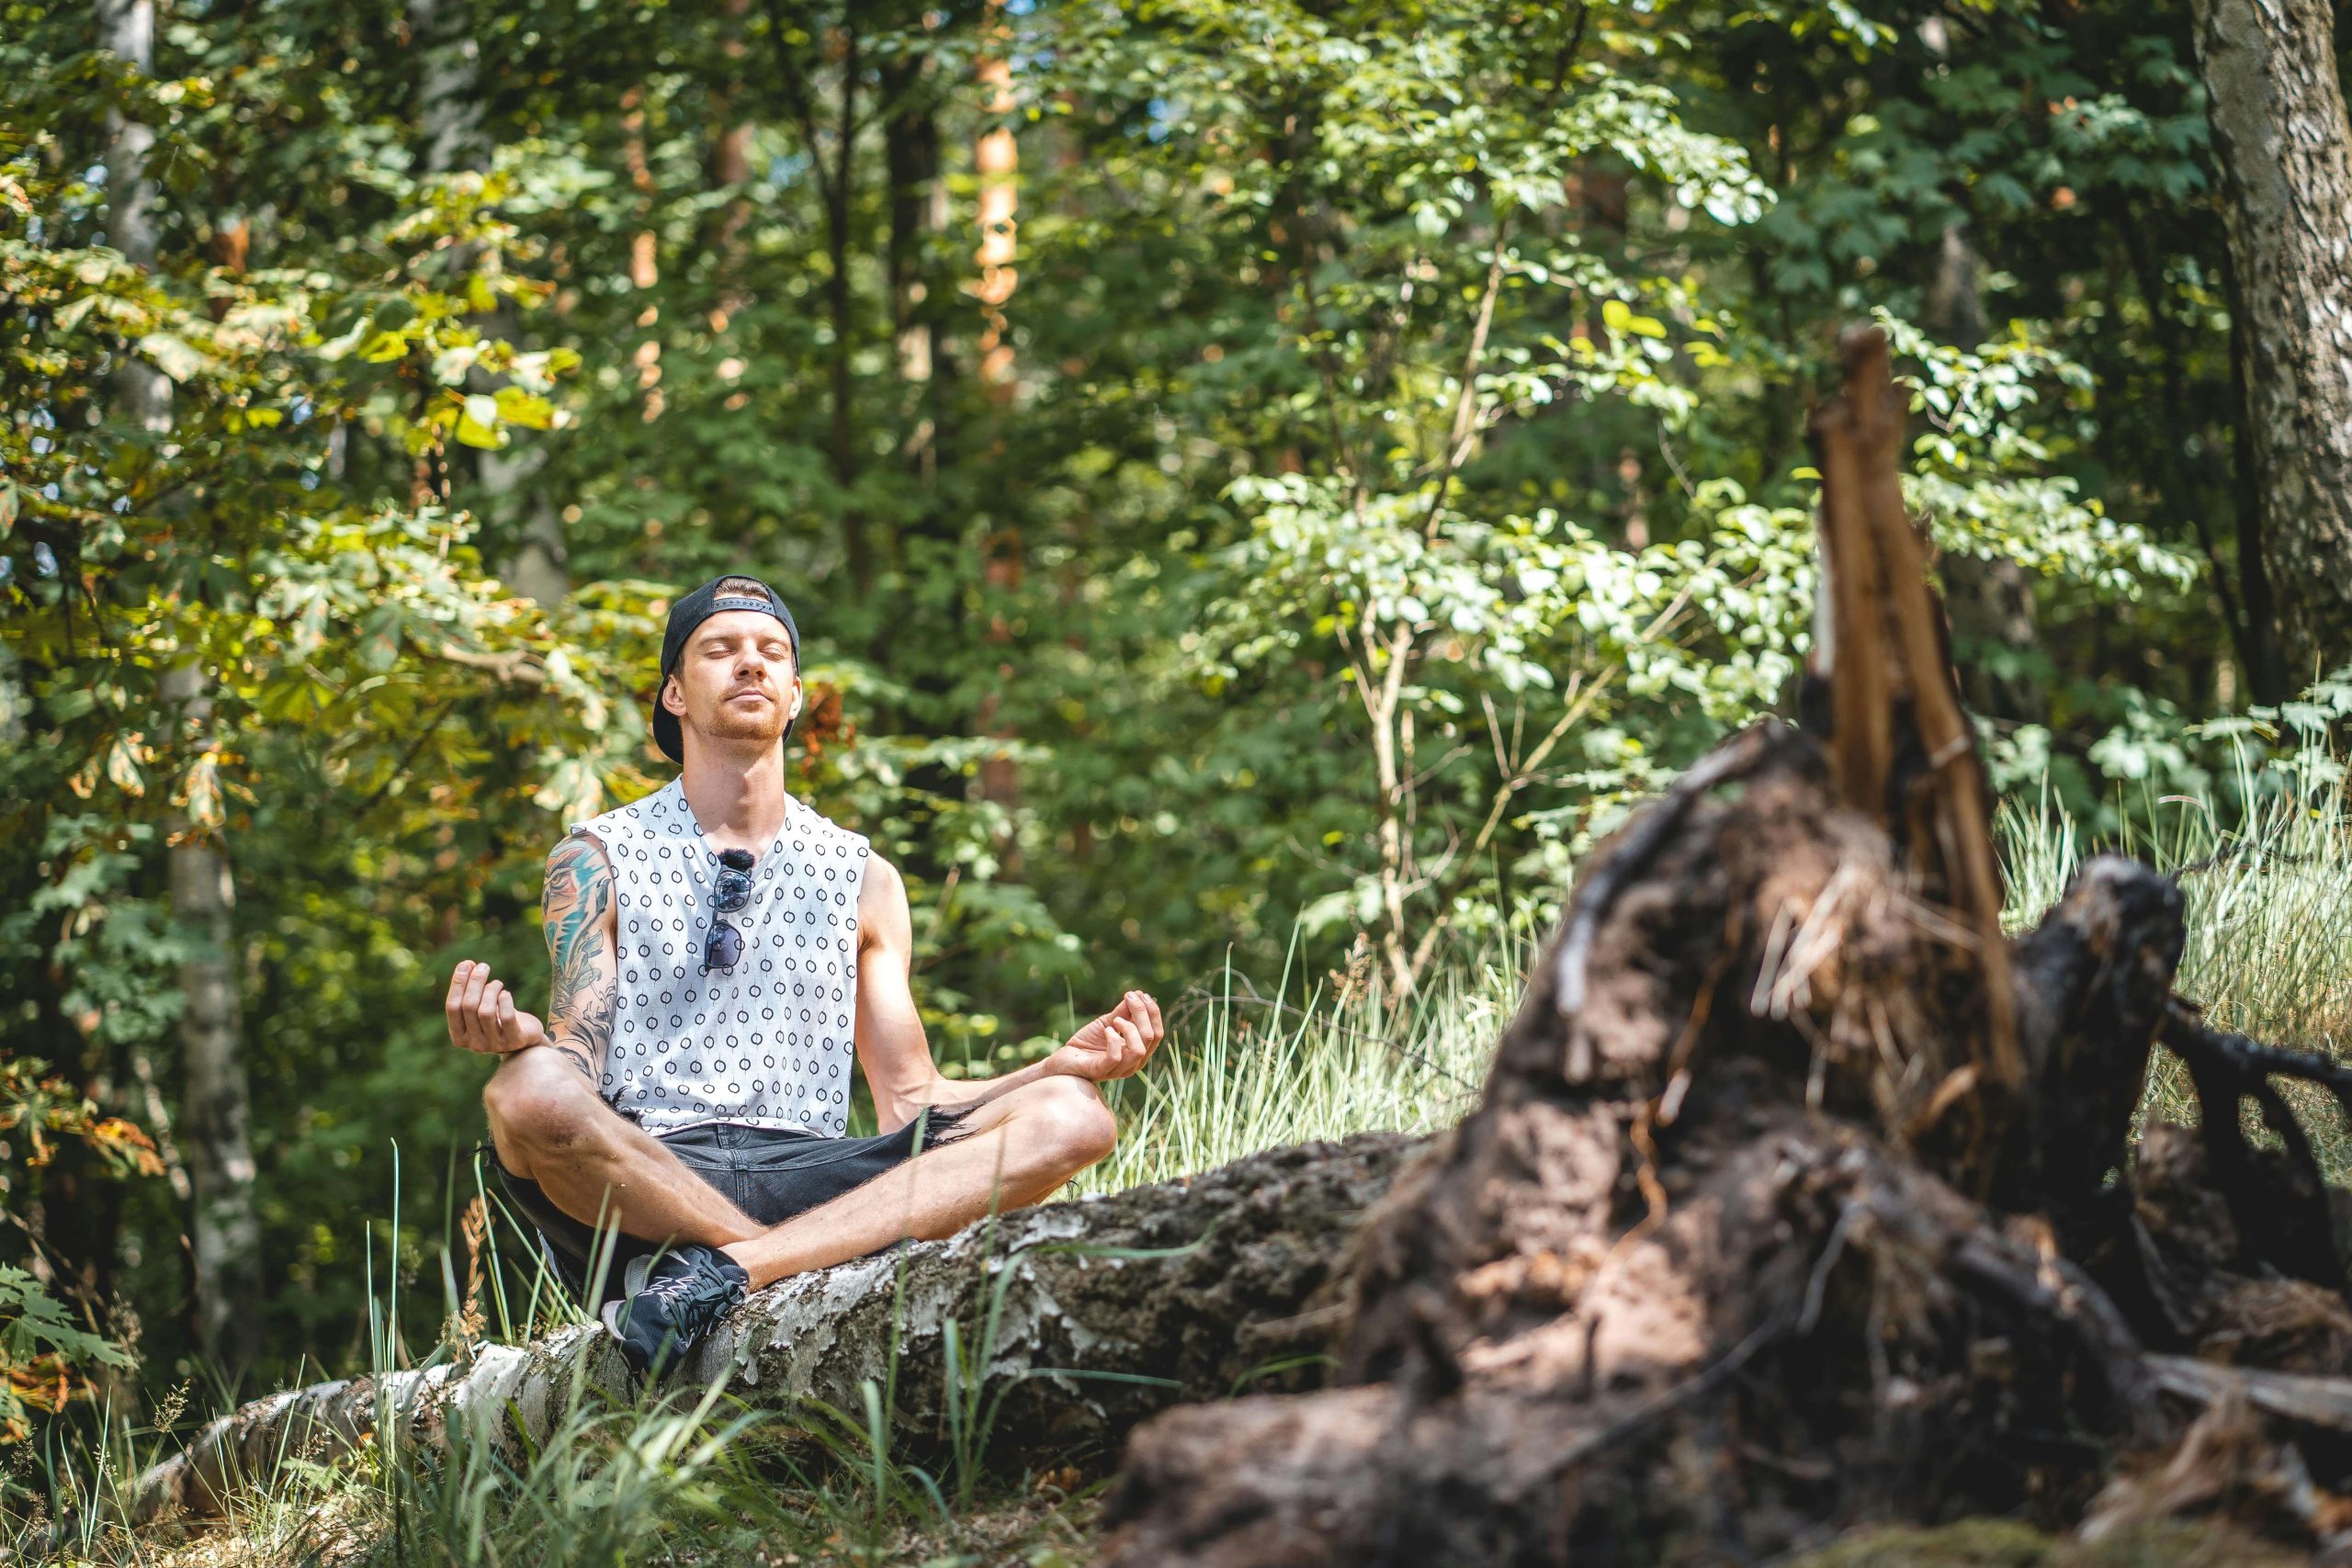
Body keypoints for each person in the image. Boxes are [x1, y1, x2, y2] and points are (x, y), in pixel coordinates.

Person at [443, 573, 1165, 1376]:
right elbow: (579, 1061)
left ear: (793, 697)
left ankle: (724, 1274)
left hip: (813, 1170)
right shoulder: (597, 856)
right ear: (675, 693)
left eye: (771, 652)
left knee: (1075, 1115)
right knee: (525, 1092)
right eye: (720, 649)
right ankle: (765, 1260)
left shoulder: (864, 877)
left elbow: (911, 1098)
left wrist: (1052, 1066)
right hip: (649, 1172)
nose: (749, 663)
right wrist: (530, 1041)